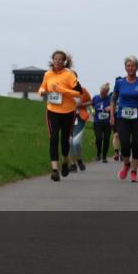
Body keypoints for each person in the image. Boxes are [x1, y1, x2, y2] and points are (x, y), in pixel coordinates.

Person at [38, 51, 82, 181]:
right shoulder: (48, 74)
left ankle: (65, 161)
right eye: (55, 59)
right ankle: (54, 170)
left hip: (68, 111)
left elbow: (79, 93)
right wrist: (42, 91)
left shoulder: (69, 75)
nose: (57, 62)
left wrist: (62, 90)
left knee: (64, 140)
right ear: (52, 60)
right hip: (52, 110)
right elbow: (42, 87)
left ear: (64, 62)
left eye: (60, 60)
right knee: (53, 138)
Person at [109, 55, 138, 182]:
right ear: (125, 68)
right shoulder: (120, 83)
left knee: (136, 144)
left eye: (133, 66)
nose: (130, 68)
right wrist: (112, 115)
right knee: (125, 143)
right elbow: (113, 99)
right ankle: (126, 164)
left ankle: (134, 171)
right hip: (122, 116)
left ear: (137, 67)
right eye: (128, 66)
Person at [69, 76, 93, 171]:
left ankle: (79, 159)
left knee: (76, 142)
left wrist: (82, 105)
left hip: (80, 119)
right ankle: (72, 164)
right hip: (67, 119)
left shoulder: (82, 90)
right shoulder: (64, 90)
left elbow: (91, 101)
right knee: (69, 142)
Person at [91, 83, 112, 163]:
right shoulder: (95, 98)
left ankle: (104, 157)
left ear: (107, 92)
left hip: (107, 122)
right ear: (100, 90)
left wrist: (110, 108)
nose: (103, 94)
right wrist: (92, 110)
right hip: (97, 121)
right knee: (99, 138)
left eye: (104, 93)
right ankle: (98, 153)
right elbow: (91, 106)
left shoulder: (109, 99)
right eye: (102, 92)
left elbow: (114, 107)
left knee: (106, 139)